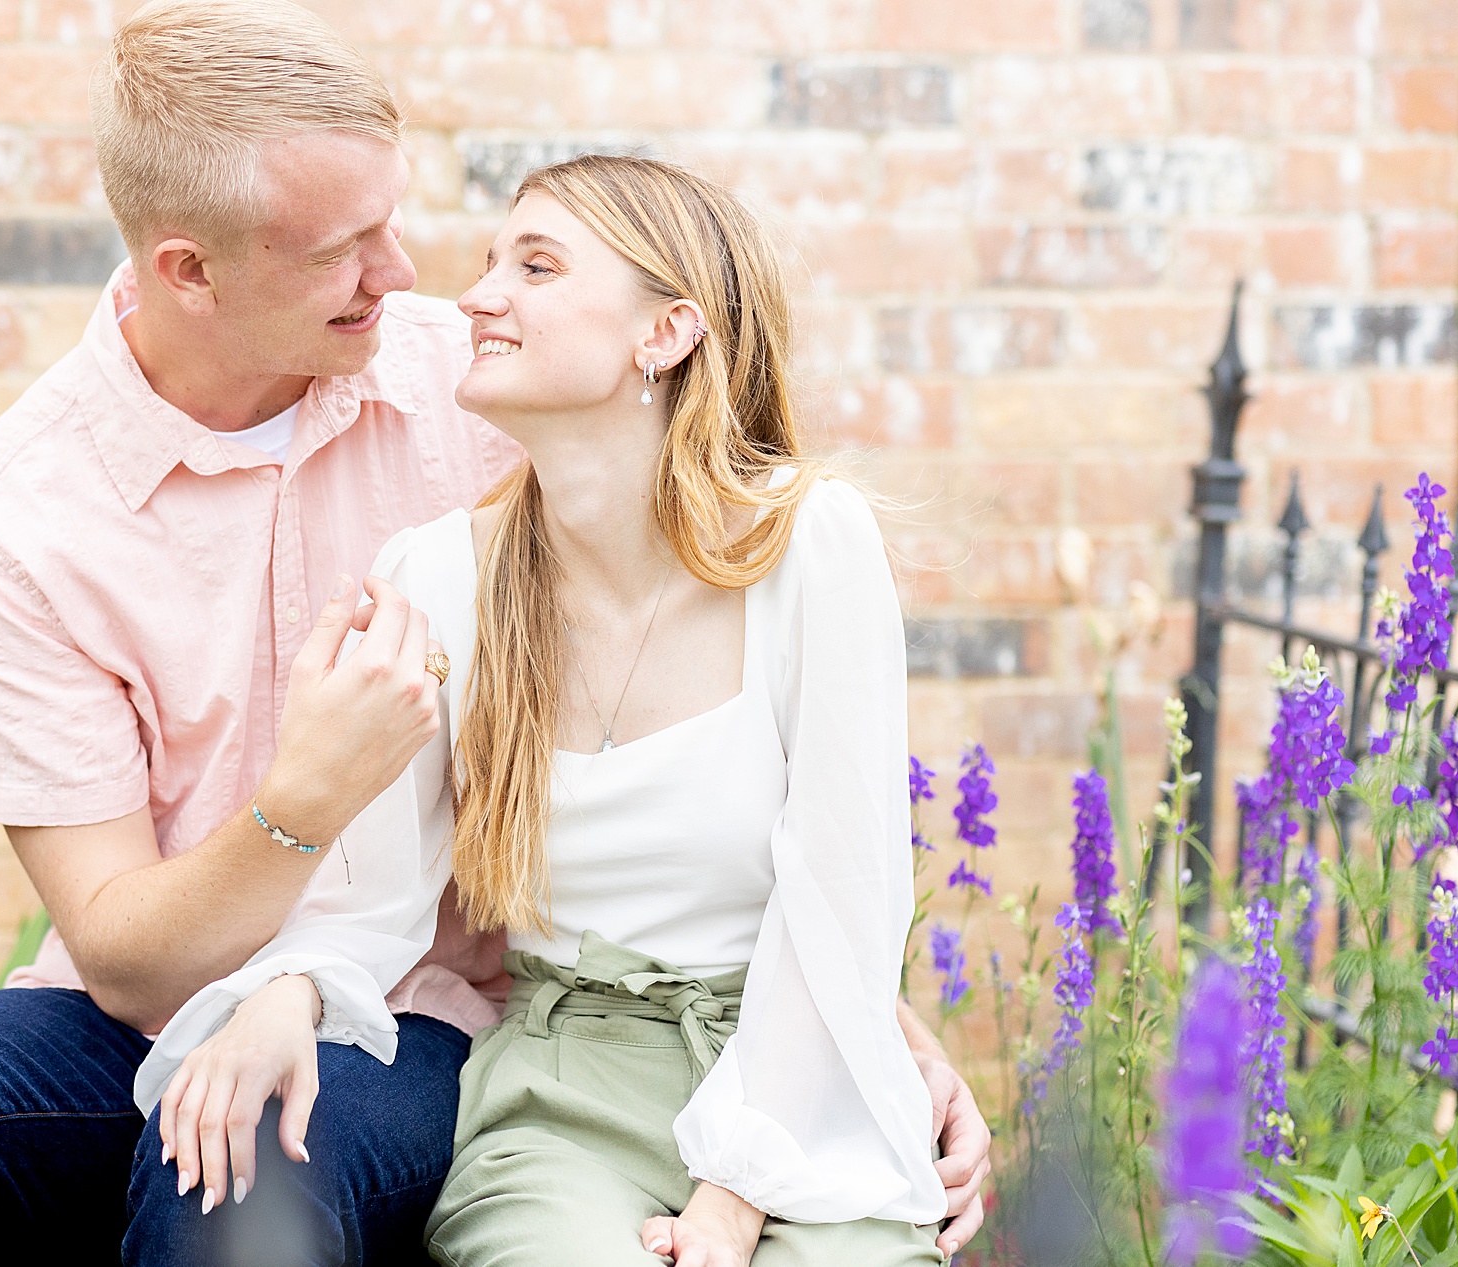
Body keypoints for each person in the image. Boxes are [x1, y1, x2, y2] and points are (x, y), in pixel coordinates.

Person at [0, 2, 988, 1264]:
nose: (406, 273)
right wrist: (299, 805)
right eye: (344, 246)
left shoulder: (483, 383)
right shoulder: (14, 527)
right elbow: (123, 958)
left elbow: (764, 689)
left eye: (393, 220)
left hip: (427, 1009)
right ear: (189, 270)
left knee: (236, 1170)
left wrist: (861, 1035)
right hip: (159, 1011)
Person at [138, 153, 962, 1267]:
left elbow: (841, 901)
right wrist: (286, 993)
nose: (477, 295)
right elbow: (371, 897)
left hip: (799, 1085)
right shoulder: (438, 575)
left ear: (663, 333)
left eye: (535, 265)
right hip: (565, 1090)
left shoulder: (810, 544)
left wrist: (732, 1195)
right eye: (490, 264)